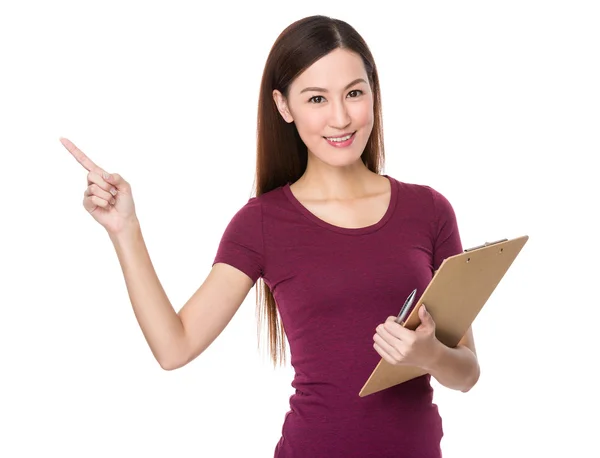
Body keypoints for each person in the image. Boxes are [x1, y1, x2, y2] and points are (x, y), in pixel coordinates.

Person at [61, 14, 480, 458]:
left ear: (373, 94)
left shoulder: (429, 210)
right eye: (316, 98)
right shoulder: (263, 222)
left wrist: (429, 354)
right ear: (284, 106)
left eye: (354, 93)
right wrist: (125, 230)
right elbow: (174, 347)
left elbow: (467, 373)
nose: (340, 118)